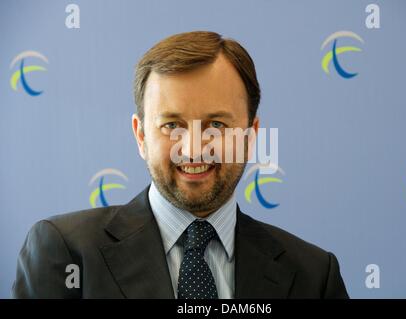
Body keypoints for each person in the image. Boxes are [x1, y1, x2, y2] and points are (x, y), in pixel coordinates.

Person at [12, 31, 348, 299]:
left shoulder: (314, 275)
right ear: (141, 135)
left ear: (250, 135)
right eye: (172, 125)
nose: (193, 149)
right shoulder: (68, 254)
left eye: (216, 124)